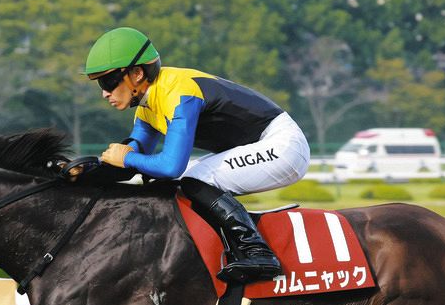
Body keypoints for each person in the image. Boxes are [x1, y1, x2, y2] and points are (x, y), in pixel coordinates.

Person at [86, 26, 310, 283]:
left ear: (136, 74)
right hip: (263, 146)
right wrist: (88, 171)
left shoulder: (179, 93)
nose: (104, 92)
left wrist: (125, 158)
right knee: (176, 183)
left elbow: (171, 166)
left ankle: (258, 253)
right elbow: (137, 156)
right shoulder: (147, 107)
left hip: (284, 146)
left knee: (194, 180)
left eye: (108, 82)